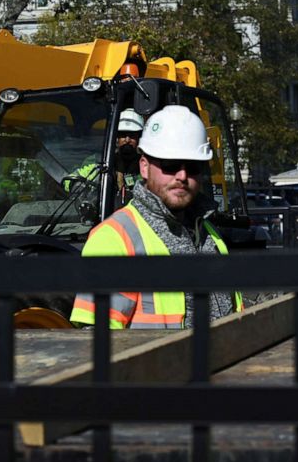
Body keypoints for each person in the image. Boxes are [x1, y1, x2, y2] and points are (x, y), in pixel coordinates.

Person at [69, 105, 243, 329]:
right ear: (144, 167)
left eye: (193, 166)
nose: (182, 176)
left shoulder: (210, 234)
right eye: (170, 165)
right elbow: (95, 343)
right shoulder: (114, 239)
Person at [64, 109, 144, 204]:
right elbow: (69, 180)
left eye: (132, 135)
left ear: (139, 138)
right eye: (123, 135)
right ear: (116, 138)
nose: (127, 140)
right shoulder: (102, 162)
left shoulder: (146, 167)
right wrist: (80, 189)